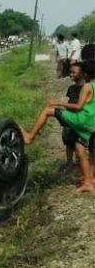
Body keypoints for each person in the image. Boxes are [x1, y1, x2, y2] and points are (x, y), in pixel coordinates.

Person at [20, 60, 95, 192]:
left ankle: (30, 137)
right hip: (92, 124)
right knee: (80, 148)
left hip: (81, 119)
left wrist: (58, 102)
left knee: (48, 110)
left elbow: (78, 107)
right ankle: (89, 181)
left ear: (86, 73)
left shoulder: (88, 86)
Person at [62, 63, 86, 169]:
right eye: (70, 72)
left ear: (82, 74)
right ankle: (70, 163)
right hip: (71, 118)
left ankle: (82, 163)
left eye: (74, 72)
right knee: (68, 141)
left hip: (82, 119)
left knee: (81, 142)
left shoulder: (87, 88)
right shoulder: (71, 88)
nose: (71, 75)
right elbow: (69, 101)